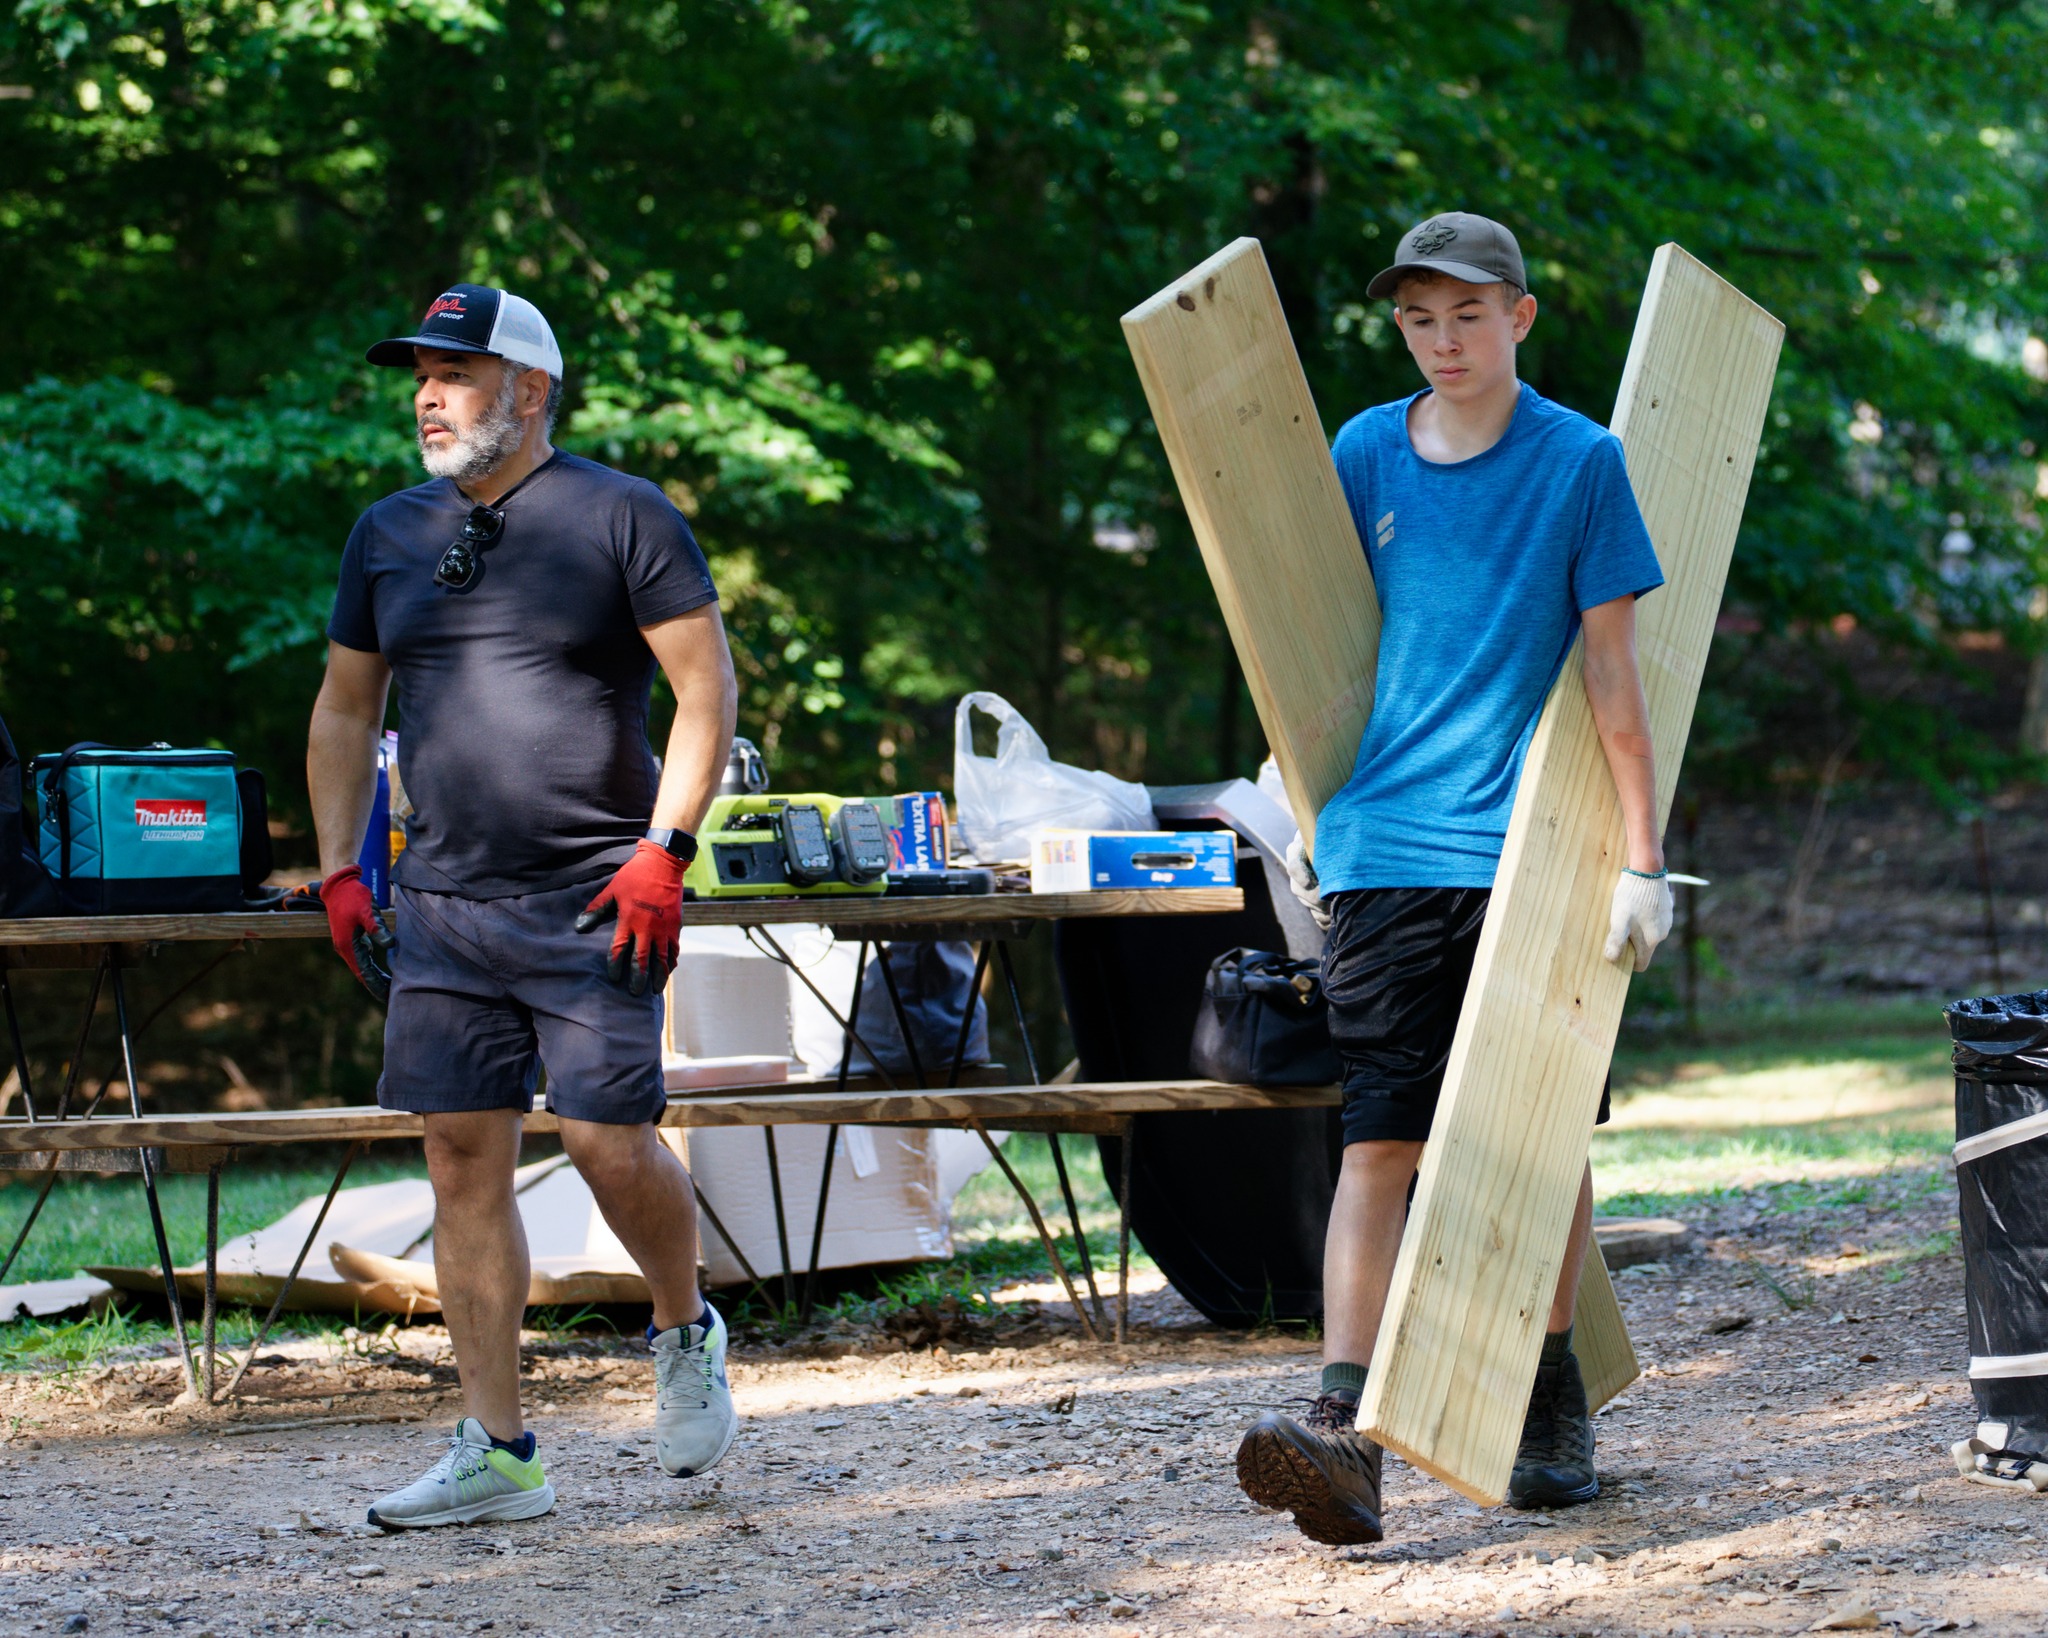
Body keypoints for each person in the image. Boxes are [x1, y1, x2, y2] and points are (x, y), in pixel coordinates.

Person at [1233, 214, 1671, 1544]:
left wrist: (1643, 860)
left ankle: (1553, 1407)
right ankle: (1344, 1430)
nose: (1444, 343)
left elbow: (1612, 674)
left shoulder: (1583, 462)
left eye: (1468, 316)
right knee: (1380, 1138)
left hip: (1530, 858)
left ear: (1521, 316)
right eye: (1420, 319)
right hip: (1379, 851)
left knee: (1542, 1142)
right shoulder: (1365, 450)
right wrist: (1287, 780)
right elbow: (1314, 637)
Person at [306, 283, 740, 1529]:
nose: (426, 395)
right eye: (419, 375)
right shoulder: (386, 532)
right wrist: (343, 869)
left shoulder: (620, 515)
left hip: (599, 894)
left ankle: (682, 1324)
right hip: (442, 903)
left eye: (456, 372)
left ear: (532, 390)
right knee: (459, 1157)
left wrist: (669, 848)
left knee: (607, 1144)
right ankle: (498, 1451)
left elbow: (705, 691)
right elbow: (346, 709)